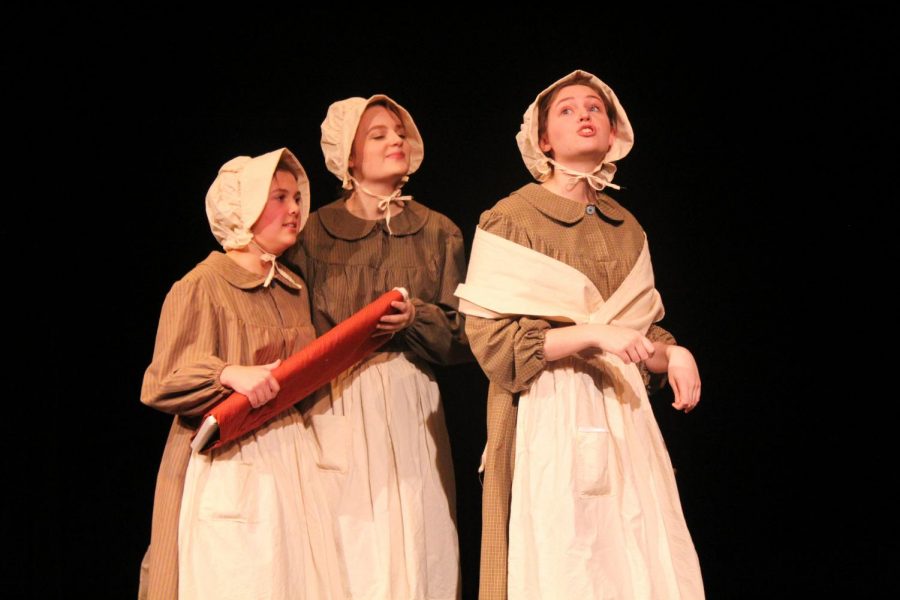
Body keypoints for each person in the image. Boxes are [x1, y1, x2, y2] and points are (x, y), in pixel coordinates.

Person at [455, 70, 704, 599]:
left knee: (631, 556)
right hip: (546, 406)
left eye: (596, 108)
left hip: (622, 415)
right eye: (566, 110)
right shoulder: (511, 217)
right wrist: (592, 335)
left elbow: (638, 333)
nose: (585, 115)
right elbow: (493, 342)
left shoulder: (626, 226)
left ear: (615, 132)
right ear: (543, 139)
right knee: (562, 560)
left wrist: (673, 352)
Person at [284, 94, 470, 600]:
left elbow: (465, 337)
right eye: (378, 134)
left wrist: (417, 318)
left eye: (399, 131)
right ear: (348, 157)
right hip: (337, 401)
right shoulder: (313, 235)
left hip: (413, 401)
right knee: (352, 545)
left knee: (421, 536)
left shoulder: (438, 231)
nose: (396, 140)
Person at [140, 148, 343, 599]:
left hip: (291, 462)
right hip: (229, 462)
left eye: (295, 197)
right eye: (278, 197)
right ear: (243, 207)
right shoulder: (201, 285)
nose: (294, 209)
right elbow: (160, 381)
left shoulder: (293, 288)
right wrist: (228, 373)